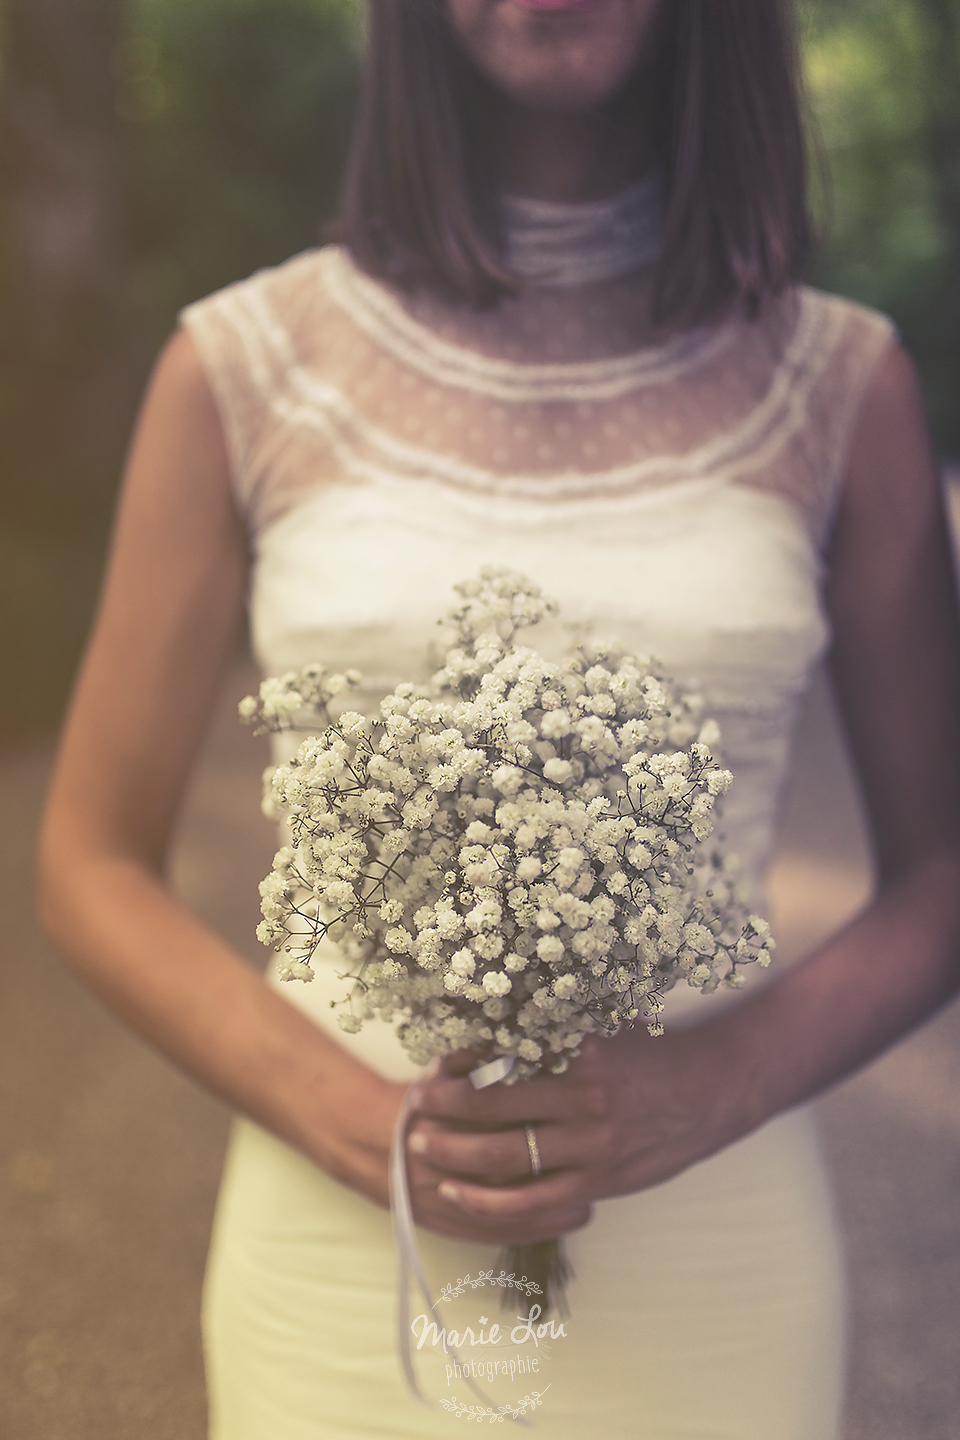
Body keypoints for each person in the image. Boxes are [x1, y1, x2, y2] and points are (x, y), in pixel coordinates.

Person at [38, 0, 960, 1436]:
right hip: (345, 1251)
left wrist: (711, 1084)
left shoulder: (840, 384)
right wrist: (354, 1118)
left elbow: (944, 874)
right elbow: (88, 858)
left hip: (716, 1248)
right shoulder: (240, 367)